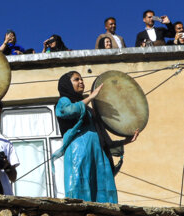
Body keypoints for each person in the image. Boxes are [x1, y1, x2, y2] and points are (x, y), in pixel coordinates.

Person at [53, 71, 137, 202]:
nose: (81, 81)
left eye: (81, 79)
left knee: (101, 183)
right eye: (76, 79)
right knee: (80, 182)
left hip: (97, 152)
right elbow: (68, 111)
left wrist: (125, 141)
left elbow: (104, 138)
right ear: (67, 84)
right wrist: (91, 97)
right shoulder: (64, 101)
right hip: (79, 150)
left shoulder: (89, 110)